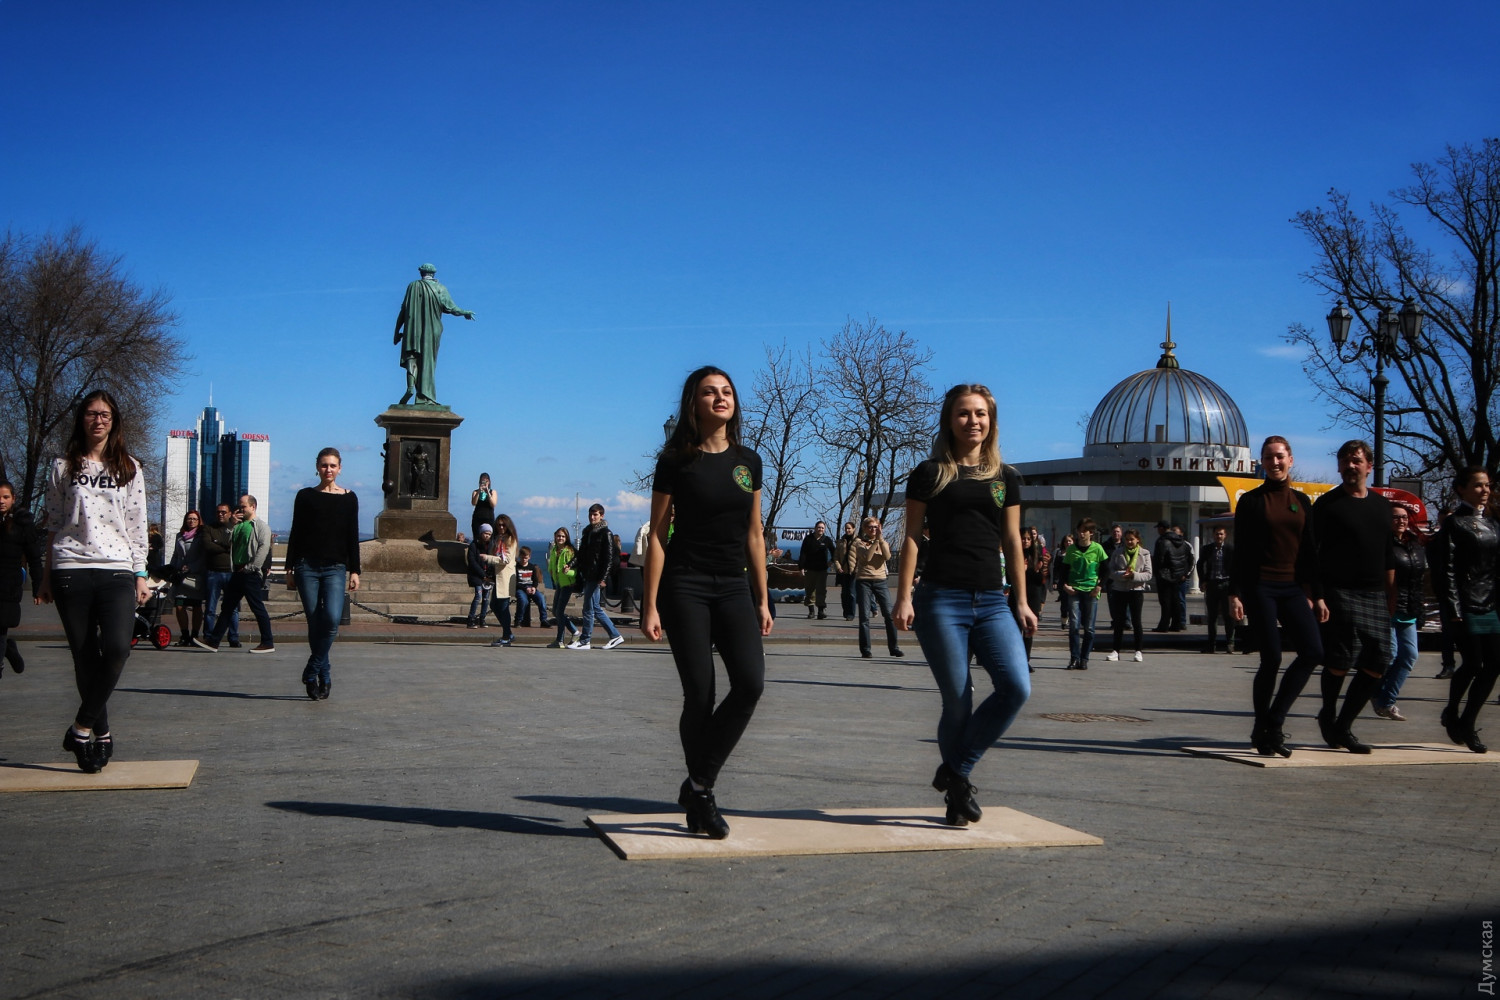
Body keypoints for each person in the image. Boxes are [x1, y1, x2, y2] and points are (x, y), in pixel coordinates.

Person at [893, 384, 1035, 827]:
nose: (973, 421)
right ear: (949, 420)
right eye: (964, 413)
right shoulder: (930, 473)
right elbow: (911, 537)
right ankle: (957, 795)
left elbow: (1012, 540)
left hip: (992, 600)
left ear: (991, 421)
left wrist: (1022, 600)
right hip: (941, 599)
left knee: (1016, 687)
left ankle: (956, 771)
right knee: (958, 700)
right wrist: (903, 596)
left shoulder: (1005, 477)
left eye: (981, 414)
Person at [642, 366, 772, 839]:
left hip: (734, 585)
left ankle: (697, 784)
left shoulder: (749, 461)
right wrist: (649, 604)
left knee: (751, 684)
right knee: (700, 694)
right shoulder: (675, 460)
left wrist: (763, 598)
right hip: (686, 584)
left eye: (727, 391)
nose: (721, 397)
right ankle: (703, 796)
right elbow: (658, 535)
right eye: (710, 392)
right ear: (693, 403)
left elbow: (754, 534)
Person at [37, 390, 150, 772]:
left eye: (105, 414)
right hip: (70, 566)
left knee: (117, 648)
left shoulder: (129, 468)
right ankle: (100, 734)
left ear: (114, 421)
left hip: (116, 567)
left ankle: (80, 727)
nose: (98, 420)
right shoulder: (62, 466)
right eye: (91, 413)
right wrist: (45, 575)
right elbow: (54, 524)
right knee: (84, 656)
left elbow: (136, 526)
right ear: (81, 419)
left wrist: (140, 574)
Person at [1229, 436, 1325, 757]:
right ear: (1262, 462)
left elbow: (1310, 550)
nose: (1275, 463)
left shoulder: (1302, 501)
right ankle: (1263, 727)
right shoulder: (1251, 501)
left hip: (1292, 587)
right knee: (1271, 658)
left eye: (1280, 456)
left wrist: (1318, 595)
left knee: (1313, 652)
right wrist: (1235, 593)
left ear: (1290, 459)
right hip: (1261, 586)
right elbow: (1240, 550)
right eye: (1269, 457)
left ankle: (1273, 721)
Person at [1310, 440, 1396, 754]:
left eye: (1356, 461)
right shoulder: (1327, 505)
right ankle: (1329, 714)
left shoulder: (1382, 506)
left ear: (1369, 466)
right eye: (1345, 461)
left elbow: (1388, 554)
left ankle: (1343, 725)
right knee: (1341, 660)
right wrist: (1318, 595)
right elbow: (1312, 554)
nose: (1350, 466)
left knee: (1379, 661)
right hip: (1339, 591)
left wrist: (1391, 594)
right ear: (1338, 466)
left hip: (1374, 593)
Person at [284, 448, 361, 701]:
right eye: (324, 465)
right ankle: (324, 676)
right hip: (306, 566)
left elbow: (352, 536)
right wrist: (289, 567)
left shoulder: (349, 498)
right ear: (317, 467)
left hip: (335, 567)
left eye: (333, 465)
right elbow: (296, 531)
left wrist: (355, 570)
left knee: (332, 619)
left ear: (340, 468)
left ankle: (312, 669)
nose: (328, 469)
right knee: (315, 621)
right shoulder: (305, 496)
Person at [1432, 466, 1498, 753]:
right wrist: (1454, 608)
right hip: (1466, 602)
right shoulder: (1454, 523)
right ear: (1462, 489)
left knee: (1494, 665)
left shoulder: (1493, 523)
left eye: (1487, 485)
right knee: (1473, 663)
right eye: (1478, 485)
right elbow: (1445, 570)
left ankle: (1467, 722)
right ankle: (1453, 711)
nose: (1485, 490)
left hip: (1491, 603)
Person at [194, 494, 276, 653]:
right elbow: (228, 540)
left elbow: (264, 548)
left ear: (253, 507)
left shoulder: (261, 526)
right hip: (237, 572)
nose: (240, 510)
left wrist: (252, 567)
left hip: (250, 573)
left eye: (243, 506)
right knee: (227, 607)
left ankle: (267, 642)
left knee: (257, 607)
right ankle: (214, 641)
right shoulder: (238, 525)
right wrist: (231, 524)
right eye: (239, 506)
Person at [393, 262, 475, 406]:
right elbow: (451, 308)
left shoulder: (412, 286)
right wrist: (465, 312)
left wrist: (396, 331)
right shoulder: (440, 288)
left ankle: (411, 387)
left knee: (412, 355)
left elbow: (403, 310)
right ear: (434, 273)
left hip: (412, 329)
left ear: (421, 273)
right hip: (432, 330)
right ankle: (427, 396)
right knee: (428, 362)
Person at [1372, 504, 1426, 721]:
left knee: (1409, 655)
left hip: (1408, 608)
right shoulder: (1381, 543)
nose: (1401, 521)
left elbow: (1418, 580)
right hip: (1387, 606)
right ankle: (1380, 697)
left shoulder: (1415, 544)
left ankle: (1384, 699)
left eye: (1404, 517)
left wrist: (1419, 606)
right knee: (1390, 655)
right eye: (1396, 517)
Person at [0, 481, 43, 677]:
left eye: (5, 497)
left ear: (13, 499)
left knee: (1, 627)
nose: (1, 501)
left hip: (7, 586)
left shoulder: (22, 524)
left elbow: (34, 558)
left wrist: (38, 587)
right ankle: (8, 648)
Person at [569, 504, 624, 651]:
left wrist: (603, 578)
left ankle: (585, 640)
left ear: (601, 516)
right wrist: (570, 564)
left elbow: (609, 558)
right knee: (595, 607)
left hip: (596, 575)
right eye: (590, 514)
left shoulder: (606, 533)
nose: (592, 517)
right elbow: (581, 553)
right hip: (589, 574)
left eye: (595, 514)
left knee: (588, 608)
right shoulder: (588, 532)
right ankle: (615, 635)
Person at [852, 516, 903, 659]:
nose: (873, 530)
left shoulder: (883, 542)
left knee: (889, 615)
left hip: (880, 581)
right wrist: (875, 542)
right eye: (870, 527)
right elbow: (867, 558)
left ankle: (894, 648)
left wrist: (880, 540)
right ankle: (866, 650)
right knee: (864, 617)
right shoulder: (859, 543)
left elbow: (887, 556)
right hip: (864, 581)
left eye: (876, 527)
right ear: (865, 529)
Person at [1060, 518, 1107, 670]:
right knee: (1074, 625)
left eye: (1084, 531)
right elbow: (1064, 571)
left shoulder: (1097, 549)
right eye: (1079, 531)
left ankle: (1084, 658)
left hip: (1091, 591)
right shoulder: (1072, 550)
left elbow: (1106, 570)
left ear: (1091, 533)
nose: (1081, 534)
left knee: (1089, 627)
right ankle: (1074, 658)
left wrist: (1099, 586)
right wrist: (1064, 586)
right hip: (1074, 590)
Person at [1103, 528, 1152, 663]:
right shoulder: (1117, 552)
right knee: (1118, 621)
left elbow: (1148, 574)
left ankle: (1138, 651)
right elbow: (1110, 571)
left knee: (1136, 621)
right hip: (1120, 589)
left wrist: (1134, 575)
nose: (1129, 542)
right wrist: (1121, 575)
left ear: (1137, 540)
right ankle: (1115, 651)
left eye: (1132, 539)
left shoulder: (1145, 553)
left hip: (1136, 590)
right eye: (1127, 539)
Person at [200, 502, 241, 648]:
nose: (220, 514)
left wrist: (219, 543)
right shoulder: (209, 528)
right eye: (218, 512)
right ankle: (208, 637)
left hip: (231, 573)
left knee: (233, 608)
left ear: (230, 513)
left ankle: (233, 637)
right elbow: (208, 546)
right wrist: (226, 547)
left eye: (223, 512)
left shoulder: (235, 527)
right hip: (213, 572)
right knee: (210, 608)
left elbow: (237, 545)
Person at [166, 510, 207, 646]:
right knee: (179, 605)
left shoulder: (201, 536)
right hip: (180, 576)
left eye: (195, 519)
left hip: (195, 576)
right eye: (189, 519)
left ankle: (194, 636)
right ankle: (184, 635)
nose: (192, 521)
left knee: (196, 606)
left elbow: (203, 556)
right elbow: (176, 554)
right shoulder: (180, 535)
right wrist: (172, 569)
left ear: (199, 521)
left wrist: (191, 567)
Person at [1198, 525, 1235, 653]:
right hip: (1212, 584)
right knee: (1212, 616)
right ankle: (1211, 644)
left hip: (1226, 584)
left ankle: (1230, 643)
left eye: (1221, 534)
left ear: (1225, 535)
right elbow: (1200, 564)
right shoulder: (1207, 549)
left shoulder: (1230, 549)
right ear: (1213, 535)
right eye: (1217, 534)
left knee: (1228, 615)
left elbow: (1236, 568)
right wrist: (1203, 580)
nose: (1219, 536)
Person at [1153, 522, 1194, 631]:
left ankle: (1164, 625)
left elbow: (1159, 559)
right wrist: (1184, 573)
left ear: (1162, 528)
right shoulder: (1182, 542)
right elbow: (1189, 559)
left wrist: (1157, 572)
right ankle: (1177, 624)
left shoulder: (1162, 541)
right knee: (1176, 601)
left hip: (1165, 576)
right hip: (1178, 576)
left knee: (1165, 601)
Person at [486, 513, 519, 647]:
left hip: (505, 577)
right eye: (498, 525)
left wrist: (487, 558)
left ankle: (506, 636)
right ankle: (508, 633)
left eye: (503, 525)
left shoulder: (510, 540)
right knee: (494, 605)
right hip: (498, 577)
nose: (501, 527)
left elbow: (505, 560)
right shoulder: (497, 539)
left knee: (503, 607)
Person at [547, 527, 580, 648]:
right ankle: (574, 632)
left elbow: (575, 571)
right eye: (558, 536)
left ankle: (560, 640)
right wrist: (550, 570)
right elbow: (552, 564)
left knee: (559, 611)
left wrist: (568, 572)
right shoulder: (554, 549)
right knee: (556, 611)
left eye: (563, 536)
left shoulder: (569, 551)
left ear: (566, 538)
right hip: (559, 584)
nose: (560, 538)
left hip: (567, 584)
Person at [1021, 526, 1049, 662]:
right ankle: (1018, 659)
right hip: (1018, 597)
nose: (1026, 541)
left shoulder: (1036, 554)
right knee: (1017, 630)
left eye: (1028, 539)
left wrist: (1035, 571)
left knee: (1029, 631)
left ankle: (1026, 660)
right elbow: (1009, 577)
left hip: (1033, 596)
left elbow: (1040, 581)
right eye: (1023, 538)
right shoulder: (1015, 554)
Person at [798, 520, 836, 619]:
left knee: (821, 590)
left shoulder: (827, 540)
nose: (820, 529)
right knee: (810, 590)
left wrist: (831, 561)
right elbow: (803, 553)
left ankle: (821, 611)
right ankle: (811, 611)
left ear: (824, 529)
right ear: (815, 528)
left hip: (822, 569)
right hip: (810, 569)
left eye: (822, 528)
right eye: (819, 527)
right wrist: (801, 567)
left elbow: (834, 552)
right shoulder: (808, 539)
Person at [466, 523, 494, 629]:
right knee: (478, 596)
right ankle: (471, 618)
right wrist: (482, 575)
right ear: (481, 533)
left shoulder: (491, 546)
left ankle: (482, 618)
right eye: (485, 533)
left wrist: (489, 575)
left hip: (488, 575)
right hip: (477, 575)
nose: (487, 536)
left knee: (486, 598)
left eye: (489, 534)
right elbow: (472, 561)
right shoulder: (474, 545)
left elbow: (492, 560)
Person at [514, 547, 548, 627]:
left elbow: (535, 580)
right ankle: (518, 620)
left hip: (531, 587)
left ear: (529, 557)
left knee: (541, 598)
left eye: (526, 558)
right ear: (519, 556)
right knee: (523, 600)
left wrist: (534, 587)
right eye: (522, 557)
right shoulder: (516, 567)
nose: (524, 560)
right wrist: (525, 588)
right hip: (520, 589)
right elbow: (516, 582)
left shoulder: (532, 567)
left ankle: (543, 620)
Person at [834, 521, 858, 620]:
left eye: (849, 528)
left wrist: (856, 569)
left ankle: (851, 614)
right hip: (843, 571)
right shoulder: (840, 542)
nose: (847, 530)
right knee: (844, 594)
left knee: (852, 593)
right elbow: (836, 557)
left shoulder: (858, 541)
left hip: (853, 572)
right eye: (846, 528)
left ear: (853, 529)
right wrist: (838, 566)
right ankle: (845, 611)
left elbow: (861, 557)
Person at [470, 473, 495, 543]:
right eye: (482, 481)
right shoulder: (475, 492)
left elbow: (493, 504)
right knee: (477, 538)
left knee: (489, 539)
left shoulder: (493, 492)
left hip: (489, 518)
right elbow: (474, 503)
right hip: (477, 518)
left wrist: (488, 493)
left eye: (486, 481)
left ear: (489, 482)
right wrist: (479, 491)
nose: (484, 483)